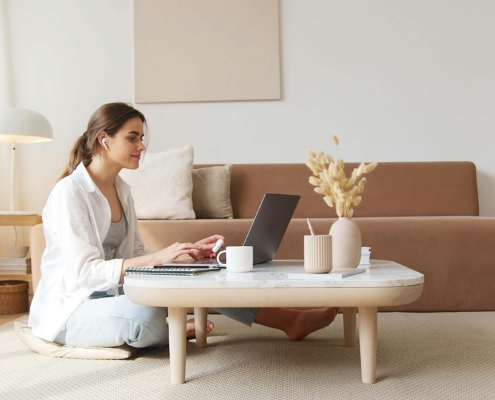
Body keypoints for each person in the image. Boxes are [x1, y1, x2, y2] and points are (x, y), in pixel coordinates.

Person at [28, 102, 339, 349]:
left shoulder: (122, 190)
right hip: (72, 308)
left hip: (113, 293)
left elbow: (136, 254)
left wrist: (180, 256)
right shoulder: (71, 192)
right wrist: (157, 259)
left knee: (202, 278)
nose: (142, 146)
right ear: (103, 139)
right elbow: (84, 273)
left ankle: (290, 320)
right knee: (146, 314)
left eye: (142, 138)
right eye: (132, 137)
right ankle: (172, 329)